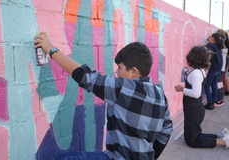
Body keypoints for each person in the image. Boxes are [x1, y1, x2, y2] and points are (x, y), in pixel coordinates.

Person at [34, 32, 173, 160]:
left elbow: (85, 77)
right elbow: (166, 129)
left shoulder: (124, 88)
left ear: (133, 72)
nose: (117, 72)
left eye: (120, 67)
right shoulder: (159, 93)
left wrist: (51, 50)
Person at [175, 45, 229, 150]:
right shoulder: (199, 71)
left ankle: (224, 141)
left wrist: (182, 89)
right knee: (191, 137)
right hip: (194, 108)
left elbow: (196, 93)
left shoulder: (196, 73)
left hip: (194, 108)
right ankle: (221, 136)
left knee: (194, 141)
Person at [204, 33, 225, 110]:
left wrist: (207, 68)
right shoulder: (218, 46)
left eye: (210, 37)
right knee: (214, 86)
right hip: (218, 69)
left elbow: (210, 57)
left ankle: (209, 103)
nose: (208, 38)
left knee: (206, 85)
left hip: (213, 69)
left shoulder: (211, 46)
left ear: (213, 38)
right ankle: (212, 102)